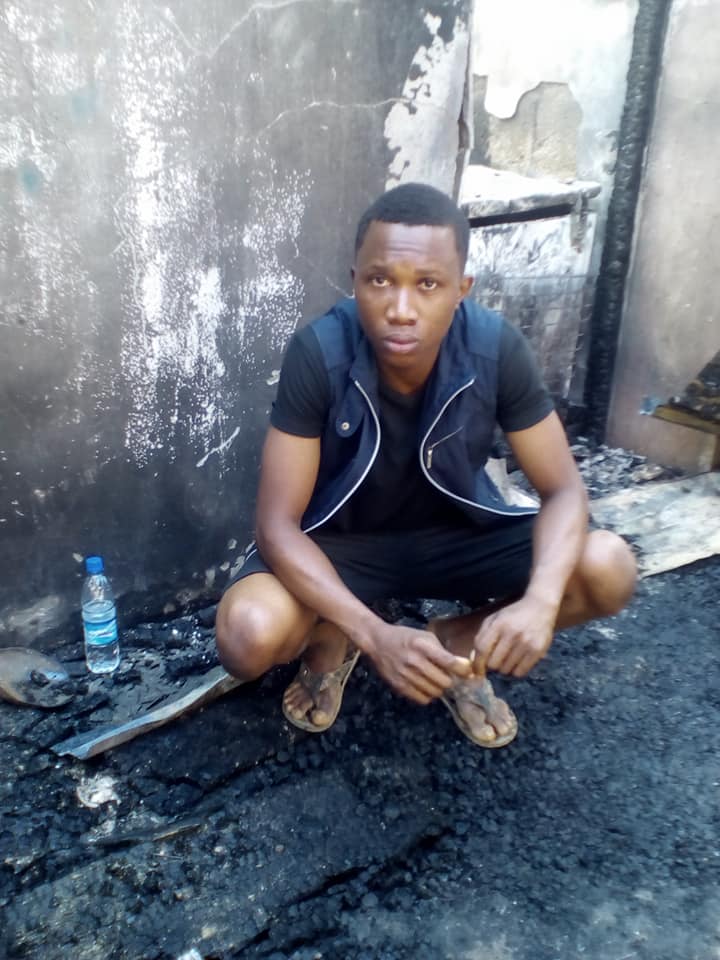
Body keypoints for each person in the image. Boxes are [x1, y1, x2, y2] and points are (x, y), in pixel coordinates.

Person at [215, 182, 637, 748]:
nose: (401, 309)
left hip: (460, 536)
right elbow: (276, 526)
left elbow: (563, 490)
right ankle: (332, 638)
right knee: (247, 635)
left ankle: (458, 641)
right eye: (380, 280)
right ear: (355, 280)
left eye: (428, 285)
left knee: (607, 567)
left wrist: (540, 601)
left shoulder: (495, 349)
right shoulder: (319, 353)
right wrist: (374, 633)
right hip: (344, 545)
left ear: (461, 290)